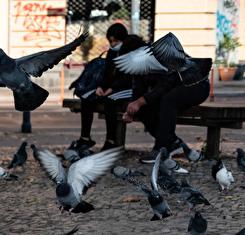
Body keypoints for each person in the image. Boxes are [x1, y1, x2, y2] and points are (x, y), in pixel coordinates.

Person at [122, 60, 210, 170]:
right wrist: (131, 109)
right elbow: (138, 89)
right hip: (173, 88)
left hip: (197, 84)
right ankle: (173, 142)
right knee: (143, 107)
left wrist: (139, 102)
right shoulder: (135, 63)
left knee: (168, 100)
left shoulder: (161, 55)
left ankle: (162, 147)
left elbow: (165, 84)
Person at [75, 23, 142, 152]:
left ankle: (111, 141)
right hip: (114, 87)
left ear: (123, 39)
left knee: (109, 100)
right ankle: (85, 138)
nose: (113, 44)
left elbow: (130, 77)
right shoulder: (111, 53)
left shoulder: (133, 51)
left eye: (116, 41)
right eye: (110, 41)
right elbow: (108, 73)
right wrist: (101, 86)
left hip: (131, 88)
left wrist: (111, 88)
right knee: (87, 98)